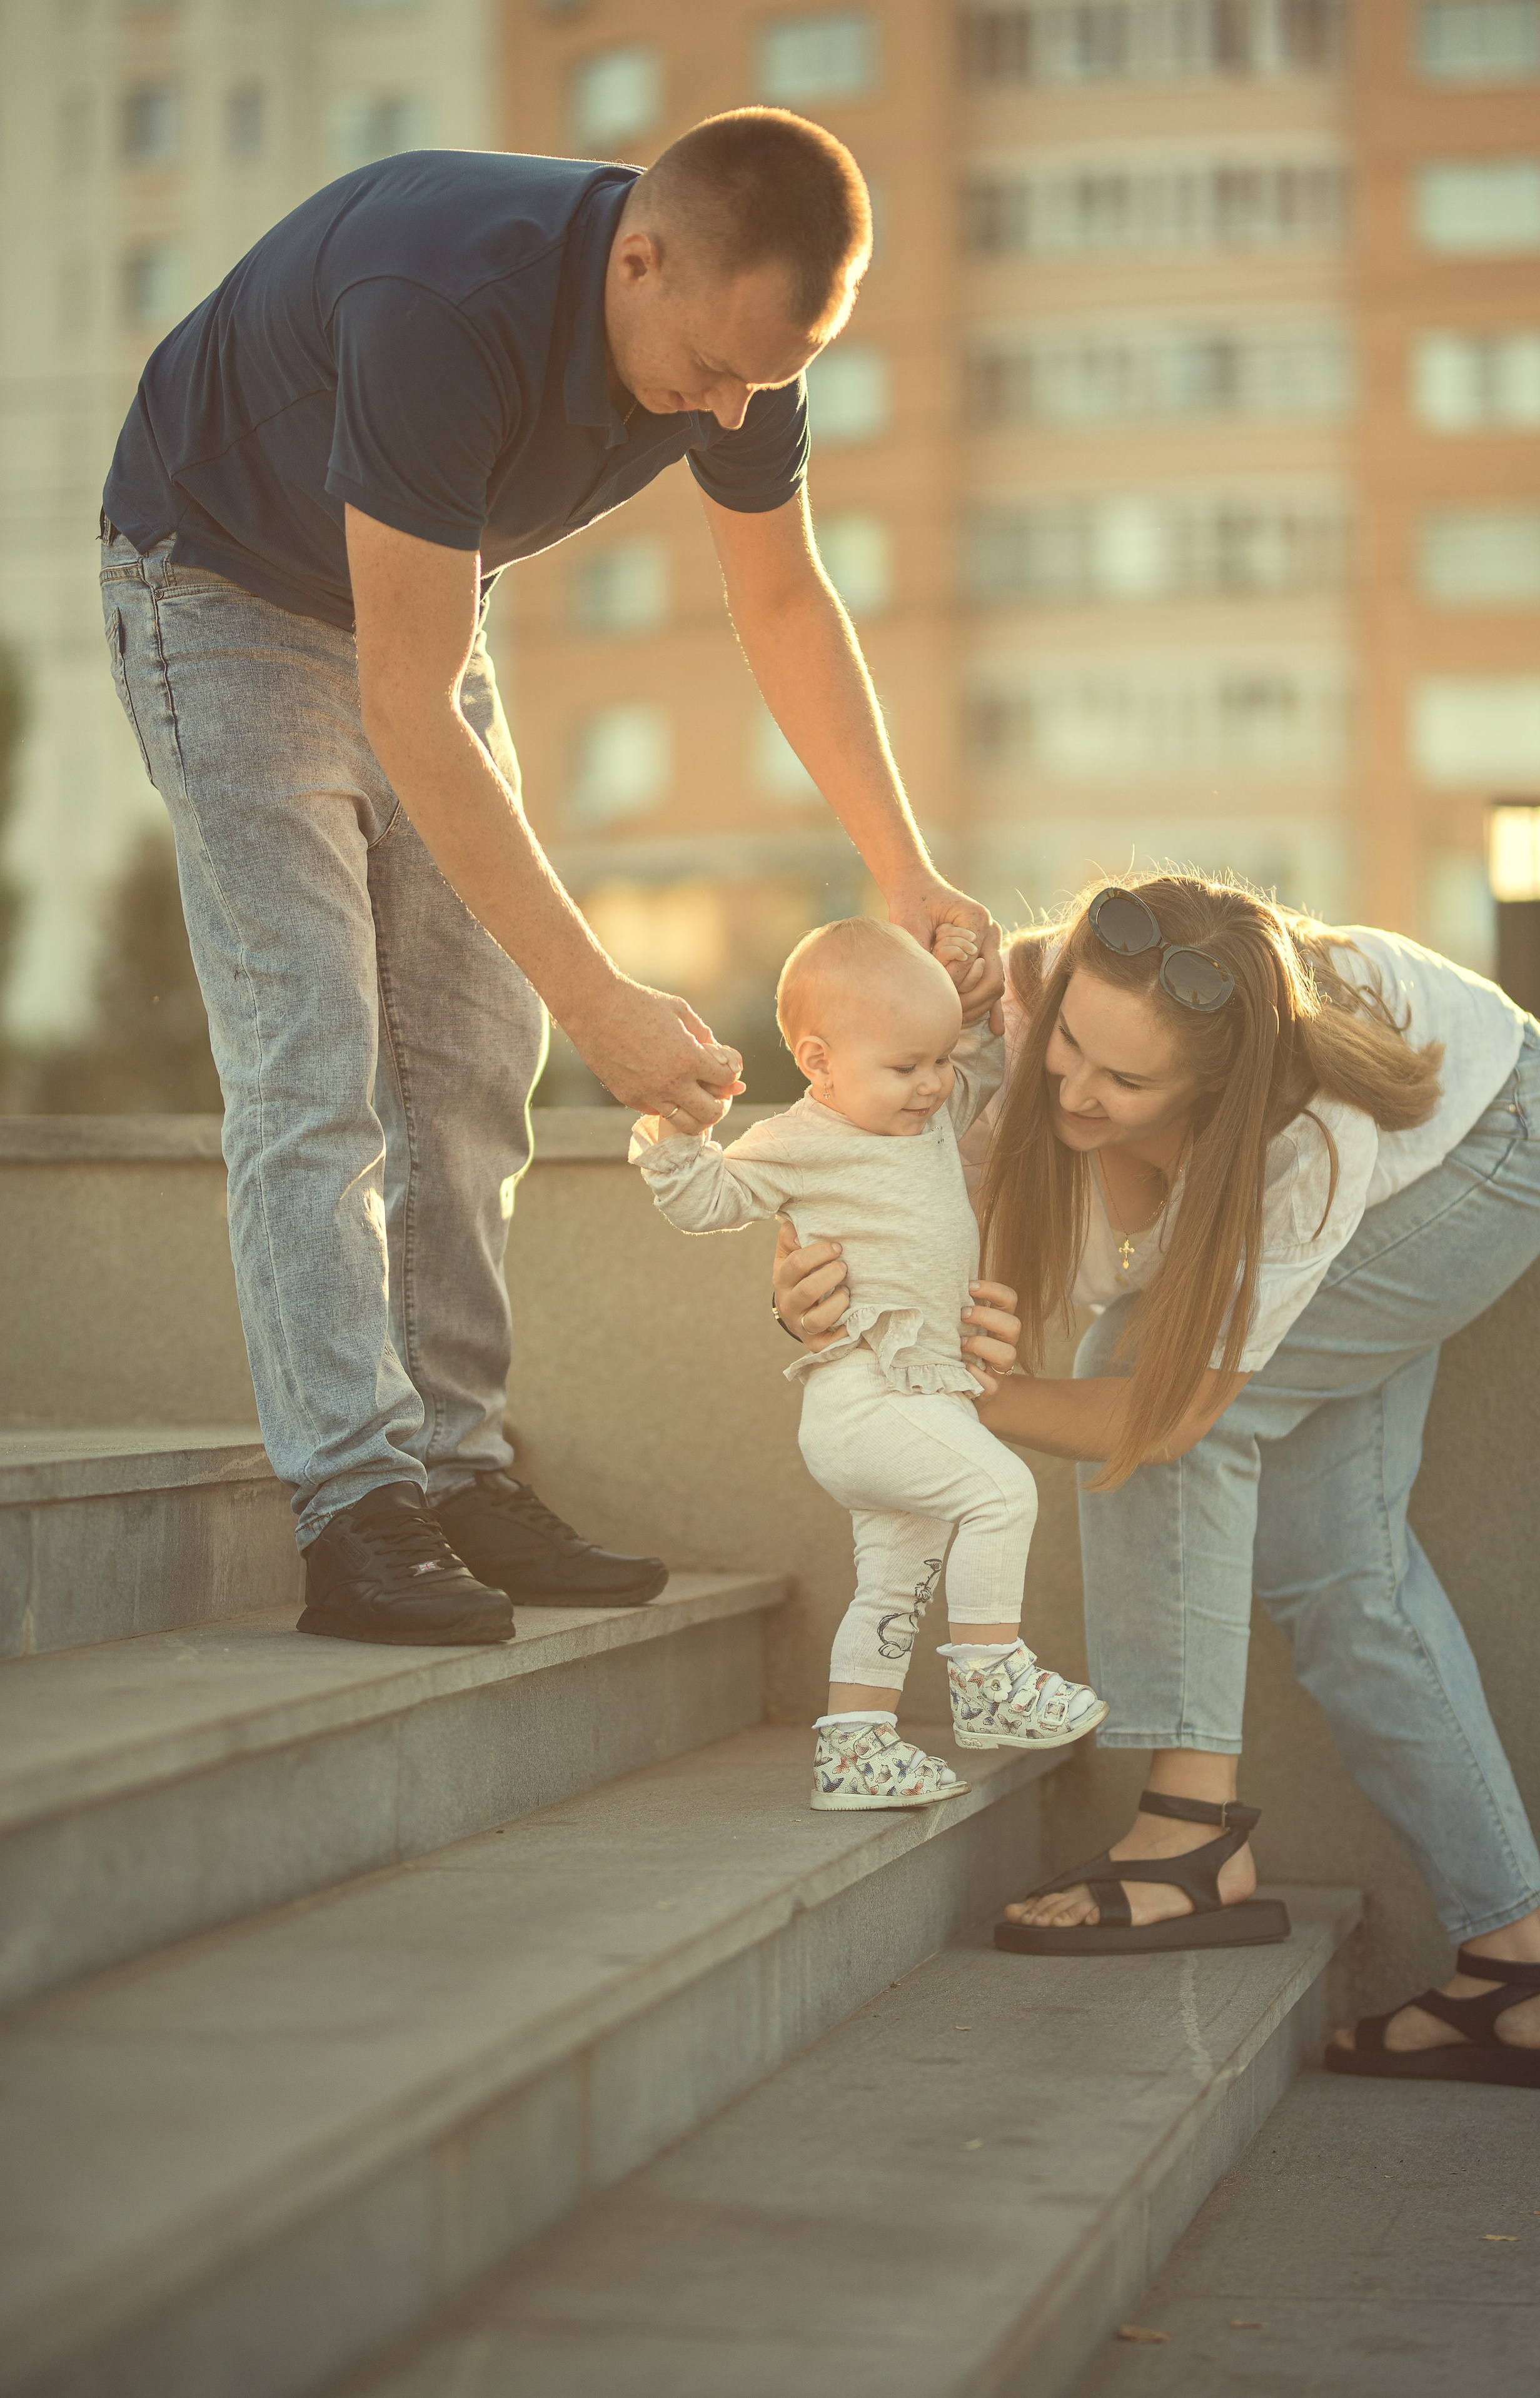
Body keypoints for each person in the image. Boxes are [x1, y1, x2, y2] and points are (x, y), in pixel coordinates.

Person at [98, 108, 1001, 1645]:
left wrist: (900, 866)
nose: (724, 410)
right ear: (639, 257)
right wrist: (602, 1000)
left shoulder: (741, 358)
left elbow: (781, 600)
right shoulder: (442, 302)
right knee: (313, 1053)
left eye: (760, 384)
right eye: (709, 370)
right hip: (222, 591)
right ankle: (354, 1504)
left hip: (419, 620)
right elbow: (402, 701)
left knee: (467, 1056)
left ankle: (456, 1471)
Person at [777, 873, 1540, 2090]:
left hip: (1482, 1143)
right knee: (1344, 1577)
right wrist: (807, 1294)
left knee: (1154, 1387)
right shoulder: (1031, 1003)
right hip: (1391, 1106)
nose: (1068, 1090)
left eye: (1120, 1084)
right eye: (1065, 1045)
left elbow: (1164, 1418)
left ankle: (1185, 1836)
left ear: (1211, 1102)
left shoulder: (1304, 1155)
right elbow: (858, 1157)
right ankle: (1517, 1977)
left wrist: (963, 1394)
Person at [633, 919, 1105, 1810]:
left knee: (893, 1583)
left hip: (920, 1403)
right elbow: (706, 1198)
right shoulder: (799, 1139)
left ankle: (856, 1751)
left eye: (936, 1063)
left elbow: (988, 1066)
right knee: (1001, 1494)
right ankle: (992, 1678)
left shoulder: (923, 1112)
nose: (933, 1086)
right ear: (819, 1063)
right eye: (906, 1068)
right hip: (865, 1401)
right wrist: (674, 1127)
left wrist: (965, 999)